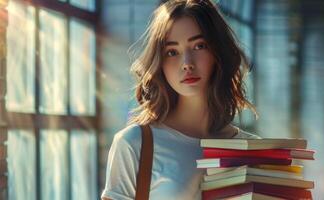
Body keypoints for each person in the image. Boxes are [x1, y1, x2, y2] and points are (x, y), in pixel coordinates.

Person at [101, 0, 260, 199]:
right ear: (159, 61)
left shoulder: (253, 150)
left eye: (199, 46)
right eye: (172, 52)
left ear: (218, 52)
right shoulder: (135, 144)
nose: (187, 63)